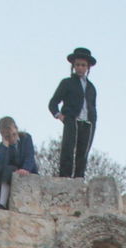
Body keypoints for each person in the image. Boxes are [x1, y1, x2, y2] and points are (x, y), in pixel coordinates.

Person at [48, 47, 98, 178]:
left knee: (83, 152)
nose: (80, 68)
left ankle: (79, 178)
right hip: (72, 119)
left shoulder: (91, 87)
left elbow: (92, 105)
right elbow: (53, 102)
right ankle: (65, 178)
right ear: (73, 66)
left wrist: (93, 119)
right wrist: (59, 115)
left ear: (88, 67)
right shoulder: (67, 83)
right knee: (68, 150)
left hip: (88, 122)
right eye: (78, 65)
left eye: (83, 65)